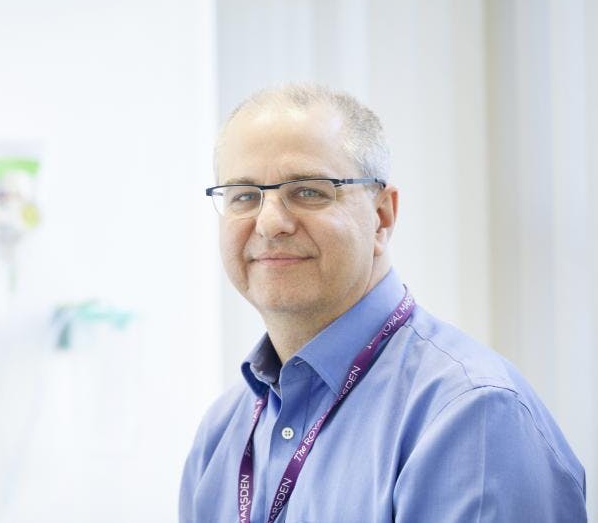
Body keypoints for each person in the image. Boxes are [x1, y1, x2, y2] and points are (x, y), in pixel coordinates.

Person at [179, 84, 587, 523]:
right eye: (244, 196)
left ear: (382, 216)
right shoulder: (221, 433)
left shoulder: (474, 415)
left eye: (309, 191)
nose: (271, 221)